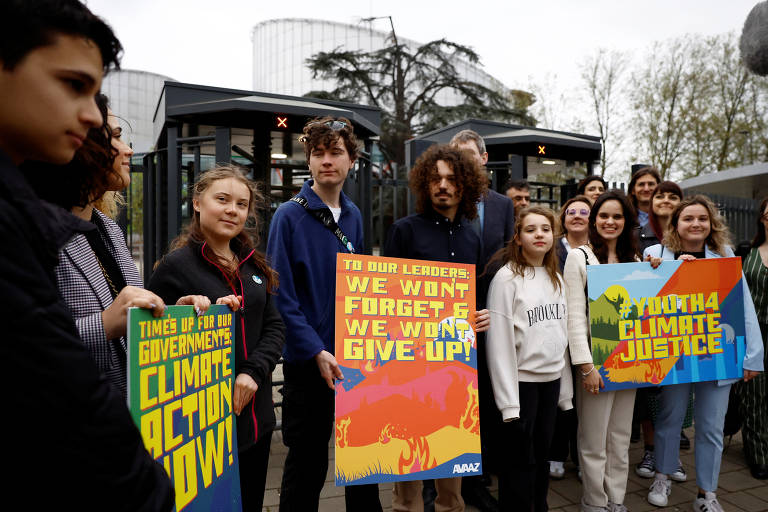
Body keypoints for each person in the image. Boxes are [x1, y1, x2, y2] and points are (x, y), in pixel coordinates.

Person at [0, 1, 173, 509]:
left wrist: (177, 315)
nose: (96, 118)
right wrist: (104, 323)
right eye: (73, 86)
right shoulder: (29, 225)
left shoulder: (105, 228)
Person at [29, 94, 210, 399]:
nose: (128, 150)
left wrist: (169, 320)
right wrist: (104, 325)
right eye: (115, 137)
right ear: (78, 144)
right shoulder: (32, 232)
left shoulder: (108, 228)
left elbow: (126, 323)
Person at [148, 166, 285, 511]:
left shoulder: (255, 266)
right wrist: (190, 316)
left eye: (241, 204)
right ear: (197, 202)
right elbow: (151, 344)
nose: (232, 210)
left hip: (257, 418)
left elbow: (274, 327)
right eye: (221, 200)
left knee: (251, 502)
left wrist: (253, 373)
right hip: (204, 429)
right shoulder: (175, 268)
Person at [266, 117, 368, 512]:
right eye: (318, 153)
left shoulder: (355, 217)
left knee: (362, 459)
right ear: (308, 161)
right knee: (307, 465)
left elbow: (360, 285)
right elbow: (281, 295)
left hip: (353, 359)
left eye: (335, 152)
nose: (327, 161)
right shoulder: (288, 216)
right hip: (308, 364)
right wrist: (315, 350)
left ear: (351, 160)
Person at [384, 143, 490, 512]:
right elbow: (386, 302)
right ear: (424, 185)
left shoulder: (472, 237)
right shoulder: (404, 231)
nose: (443, 185)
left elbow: (471, 299)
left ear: (465, 185)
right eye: (435, 178)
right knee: (408, 487)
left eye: (451, 178)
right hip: (411, 369)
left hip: (455, 371)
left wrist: (481, 315)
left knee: (452, 488)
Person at [644, 196, 764, 510]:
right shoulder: (655, 254)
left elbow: (744, 307)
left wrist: (753, 355)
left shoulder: (724, 256)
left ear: (711, 224)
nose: (696, 224)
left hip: (718, 354)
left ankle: (706, 493)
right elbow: (644, 296)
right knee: (670, 419)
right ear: (676, 224)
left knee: (711, 426)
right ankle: (663, 475)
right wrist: (664, 269)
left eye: (702, 219)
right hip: (675, 354)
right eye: (688, 218)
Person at [486, 206, 573, 511]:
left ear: (553, 236)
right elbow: (498, 344)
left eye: (546, 229)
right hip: (521, 387)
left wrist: (565, 392)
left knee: (541, 458)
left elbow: (560, 339)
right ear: (518, 237)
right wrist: (508, 402)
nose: (539, 234)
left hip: (550, 385)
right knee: (518, 464)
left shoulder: (556, 277)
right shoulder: (507, 278)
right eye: (531, 229)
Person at [450, 129, 515, 512]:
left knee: (488, 399)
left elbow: (508, 259)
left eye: (470, 155)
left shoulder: (503, 205)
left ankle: (477, 480)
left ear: (484, 159)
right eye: (456, 156)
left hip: (491, 315)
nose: (464, 162)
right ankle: (444, 479)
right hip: (451, 317)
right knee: (454, 395)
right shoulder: (441, 200)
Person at [564, 190, 639, 512]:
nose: (610, 222)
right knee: (594, 439)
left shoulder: (635, 259)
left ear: (627, 222)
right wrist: (586, 366)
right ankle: (594, 501)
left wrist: (658, 267)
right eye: (604, 216)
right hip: (596, 361)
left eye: (618, 216)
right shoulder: (579, 256)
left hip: (631, 360)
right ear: (595, 220)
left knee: (620, 438)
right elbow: (574, 316)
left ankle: (617, 499)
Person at [633, 180, 687, 482]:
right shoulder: (644, 240)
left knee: (679, 396)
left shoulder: (695, 238)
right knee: (651, 394)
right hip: (652, 329)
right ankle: (652, 450)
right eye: (660, 196)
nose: (665, 201)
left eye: (672, 196)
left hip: (684, 330)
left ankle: (672, 455)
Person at [548, 195, 591, 480]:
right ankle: (556, 454)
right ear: (563, 219)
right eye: (570, 211)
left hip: (590, 334)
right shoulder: (553, 249)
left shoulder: (598, 251)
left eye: (583, 211)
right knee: (562, 397)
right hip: (556, 330)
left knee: (586, 399)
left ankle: (581, 457)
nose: (576, 215)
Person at [738, 196, 768, 480]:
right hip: (755, 331)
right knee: (755, 395)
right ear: (762, 218)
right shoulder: (748, 251)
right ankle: (758, 454)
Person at [637, 181, 682, 253]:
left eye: (673, 198)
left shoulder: (690, 236)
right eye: (660, 197)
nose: (666, 201)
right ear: (651, 203)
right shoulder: (635, 237)